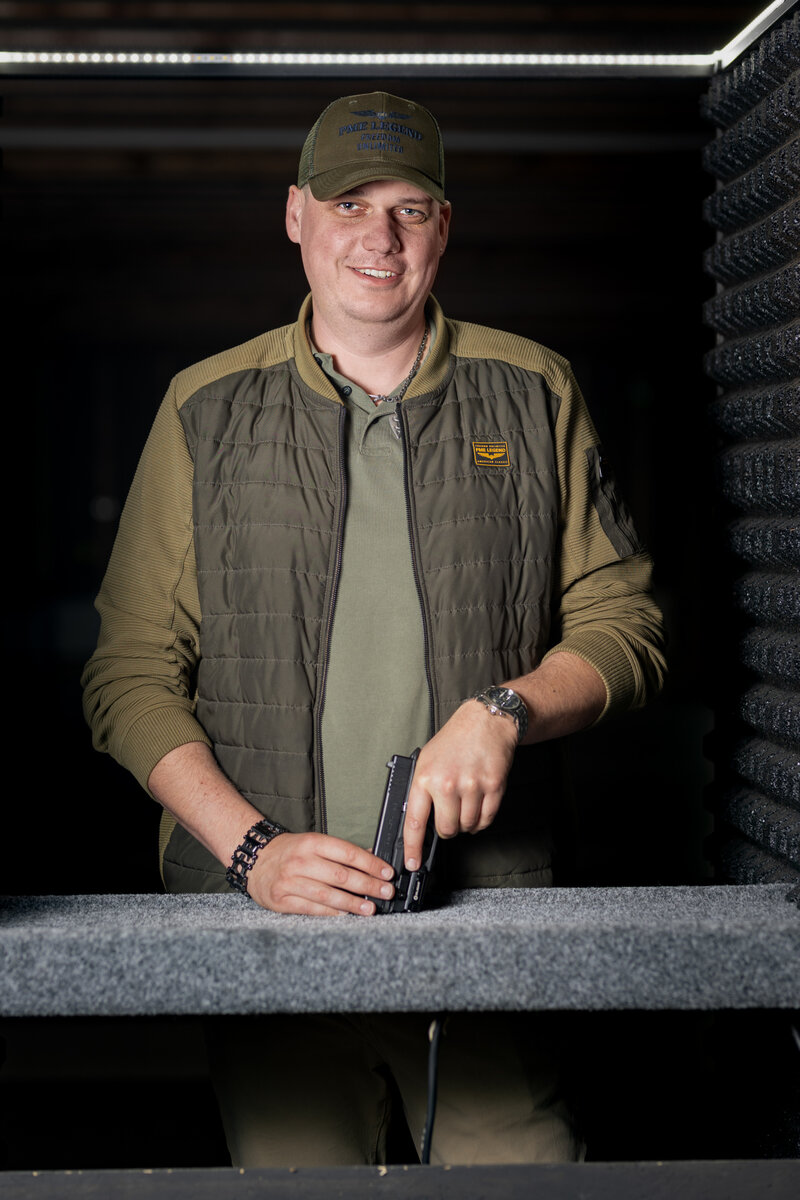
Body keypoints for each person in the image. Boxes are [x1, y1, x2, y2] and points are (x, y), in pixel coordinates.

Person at [82, 90, 666, 1166]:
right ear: (295, 215)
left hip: (485, 914)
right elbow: (128, 673)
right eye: (349, 204)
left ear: (444, 227)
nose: (378, 237)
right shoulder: (204, 406)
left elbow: (624, 623)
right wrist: (250, 852)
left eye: (409, 208)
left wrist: (505, 710)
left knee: (525, 1182)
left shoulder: (533, 390)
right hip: (268, 926)